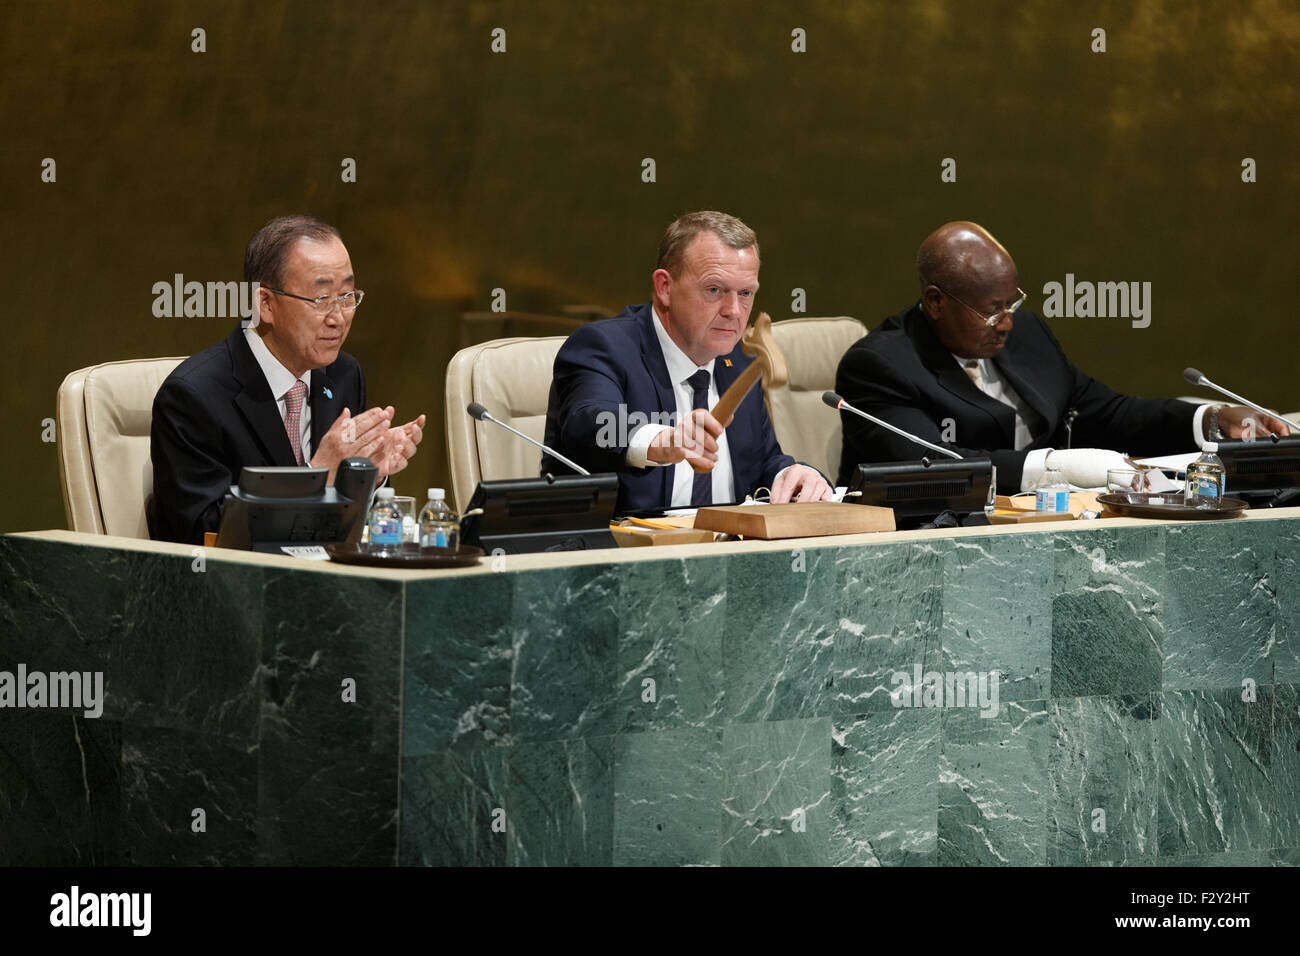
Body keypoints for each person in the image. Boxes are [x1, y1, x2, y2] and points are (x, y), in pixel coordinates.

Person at [834, 221, 1288, 491]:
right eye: (992, 312)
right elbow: (933, 467)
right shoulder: (880, 366)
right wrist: (1056, 469)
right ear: (936, 302)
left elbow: (1106, 413)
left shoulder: (1026, 334)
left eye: (1011, 303)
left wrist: (1207, 419)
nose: (1008, 322)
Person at [148, 215, 426, 544]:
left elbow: (348, 523)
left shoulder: (343, 375)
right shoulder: (193, 397)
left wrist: (370, 477)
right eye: (321, 299)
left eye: (348, 297)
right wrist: (317, 476)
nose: (338, 318)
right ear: (265, 303)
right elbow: (205, 532)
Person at [542, 210, 831, 512]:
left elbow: (760, 460)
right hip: (626, 550)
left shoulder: (740, 361)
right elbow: (589, 425)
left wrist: (792, 477)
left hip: (728, 550)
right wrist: (665, 441)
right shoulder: (605, 347)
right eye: (715, 290)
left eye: (745, 293)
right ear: (665, 287)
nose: (733, 310)